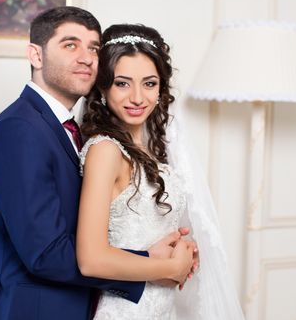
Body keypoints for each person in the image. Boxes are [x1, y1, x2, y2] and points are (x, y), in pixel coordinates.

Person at [0, 7, 194, 320]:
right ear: (35, 56)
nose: (86, 57)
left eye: (93, 47)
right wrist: (155, 264)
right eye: (70, 45)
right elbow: (45, 254)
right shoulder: (19, 129)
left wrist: (167, 250)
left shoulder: (71, 129)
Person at [76, 24, 245, 319]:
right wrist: (171, 267)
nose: (138, 97)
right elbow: (91, 259)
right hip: (125, 310)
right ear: (102, 87)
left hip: (162, 308)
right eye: (122, 83)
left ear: (161, 88)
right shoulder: (105, 151)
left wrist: (183, 248)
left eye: (150, 83)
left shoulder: (151, 151)